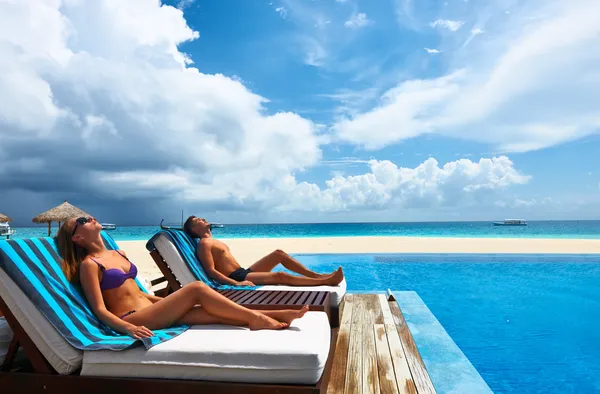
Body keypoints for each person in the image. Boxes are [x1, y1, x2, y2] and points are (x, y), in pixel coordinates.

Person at [56, 216, 309, 339]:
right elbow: (100, 309)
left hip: (152, 309)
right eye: (80, 221)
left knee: (213, 313)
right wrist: (128, 328)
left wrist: (164, 302)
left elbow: (139, 293)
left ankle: (275, 315)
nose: (87, 216)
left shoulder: (117, 253)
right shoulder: (90, 265)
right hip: (134, 318)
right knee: (197, 288)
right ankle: (257, 319)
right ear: (77, 238)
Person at [183, 216, 344, 287]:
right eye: (199, 221)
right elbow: (211, 271)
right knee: (280, 276)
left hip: (243, 271)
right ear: (195, 229)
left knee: (278, 254)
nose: (204, 219)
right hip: (236, 277)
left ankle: (316, 275)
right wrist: (237, 284)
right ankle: (324, 281)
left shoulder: (213, 241)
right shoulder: (204, 244)